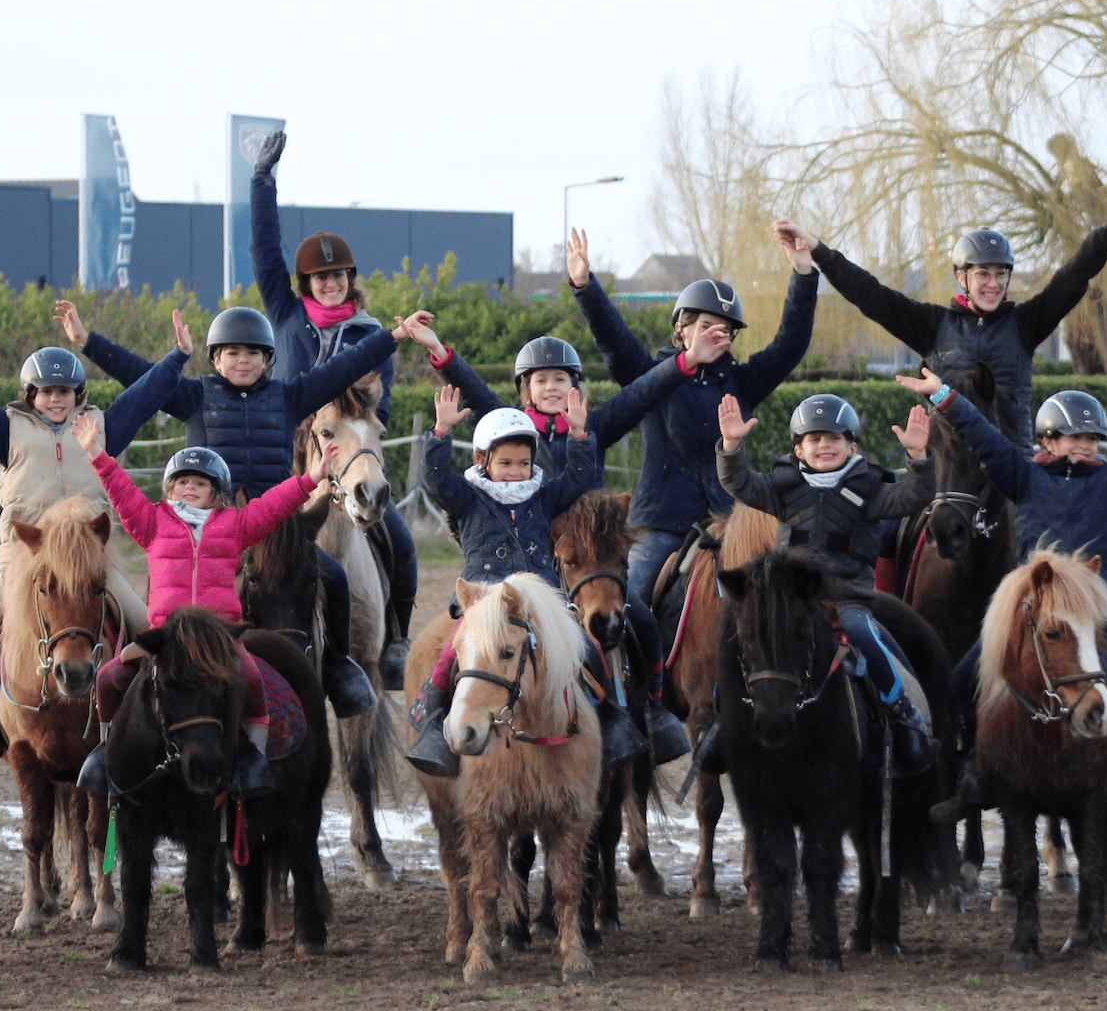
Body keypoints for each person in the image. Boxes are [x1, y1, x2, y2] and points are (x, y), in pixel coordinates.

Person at [899, 366, 1107, 829]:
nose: (1084, 445)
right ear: (1047, 440)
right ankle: (970, 775)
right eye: (1072, 436)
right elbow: (981, 436)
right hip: (1033, 613)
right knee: (960, 684)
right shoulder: (1020, 476)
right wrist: (942, 394)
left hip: (1102, 609)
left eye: (1091, 438)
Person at [68, 303, 407, 721]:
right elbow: (140, 372)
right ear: (215, 358)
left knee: (334, 577)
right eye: (232, 353)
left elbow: (343, 368)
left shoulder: (290, 397)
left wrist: (392, 337)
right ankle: (145, 678)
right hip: (211, 530)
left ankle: (336, 667)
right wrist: (88, 343)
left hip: (272, 526)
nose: (242, 361)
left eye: (252, 353)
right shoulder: (193, 396)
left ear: (267, 359)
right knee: (165, 588)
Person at [402, 315, 693, 761]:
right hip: (537, 554)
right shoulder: (510, 428)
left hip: (585, 554)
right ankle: (435, 712)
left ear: (575, 385)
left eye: (561, 378)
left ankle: (648, 708)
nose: (552, 387)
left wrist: (686, 361)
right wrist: (440, 352)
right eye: (542, 380)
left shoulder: (591, 425)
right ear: (525, 389)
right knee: (463, 640)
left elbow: (641, 394)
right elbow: (474, 390)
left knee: (636, 618)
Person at [771, 164, 1107, 458]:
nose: (992, 283)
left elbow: (1076, 273)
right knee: (893, 537)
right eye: (982, 273)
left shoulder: (1026, 323)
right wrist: (817, 251)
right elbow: (868, 294)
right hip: (947, 468)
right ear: (961, 277)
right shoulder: (931, 325)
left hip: (1012, 464)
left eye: (1000, 274)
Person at [0, 307, 152, 757]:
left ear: (79, 394)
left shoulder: (99, 429)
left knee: (145, 626)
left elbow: (143, 396)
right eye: (45, 392)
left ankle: (148, 713)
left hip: (88, 562)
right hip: (27, 562)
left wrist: (179, 357)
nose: (55, 399)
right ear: (30, 394)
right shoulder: (7, 430)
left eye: (64, 391)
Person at [563, 226, 819, 625]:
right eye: (705, 326)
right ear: (681, 329)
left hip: (729, 521)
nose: (716, 335)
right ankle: (636, 683)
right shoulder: (650, 375)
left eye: (725, 330)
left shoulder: (743, 381)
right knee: (631, 610)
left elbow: (791, 344)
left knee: (777, 600)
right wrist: (584, 285)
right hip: (661, 524)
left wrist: (803, 275)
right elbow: (614, 339)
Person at [72, 415, 331, 797]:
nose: (190, 488)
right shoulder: (151, 522)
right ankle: (107, 750)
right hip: (165, 636)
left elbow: (273, 507)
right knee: (108, 678)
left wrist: (310, 479)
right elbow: (121, 490)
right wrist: (96, 452)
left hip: (217, 636)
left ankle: (252, 758)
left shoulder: (236, 525)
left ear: (216, 492)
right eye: (182, 482)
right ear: (170, 489)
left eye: (200, 483)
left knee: (254, 680)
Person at [247, 129, 416, 686]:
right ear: (305, 283)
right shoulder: (286, 315)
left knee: (401, 540)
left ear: (350, 280)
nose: (330, 284)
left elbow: (379, 404)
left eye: (338, 275)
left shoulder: (370, 332)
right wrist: (261, 181)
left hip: (348, 456)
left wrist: (357, 442)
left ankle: (394, 638)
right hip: (289, 457)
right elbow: (265, 251)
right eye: (320, 277)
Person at [405, 389, 644, 777]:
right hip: (483, 600)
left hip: (540, 601)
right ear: (482, 461)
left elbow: (580, 478)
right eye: (505, 463)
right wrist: (441, 432)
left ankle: (612, 717)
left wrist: (581, 437)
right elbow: (436, 480)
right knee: (452, 650)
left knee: (588, 649)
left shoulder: (543, 495)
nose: (516, 470)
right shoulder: (468, 497)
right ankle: (433, 717)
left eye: (523, 462)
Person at [714, 391, 939, 773]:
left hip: (846, 596)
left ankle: (901, 711)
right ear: (799, 450)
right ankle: (724, 714)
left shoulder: (869, 488)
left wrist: (918, 458)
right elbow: (738, 482)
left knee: (862, 632)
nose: (824, 446)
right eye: (814, 440)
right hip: (791, 596)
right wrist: (732, 444)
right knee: (748, 634)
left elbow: (915, 495)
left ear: (852, 447)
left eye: (834, 439)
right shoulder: (782, 486)